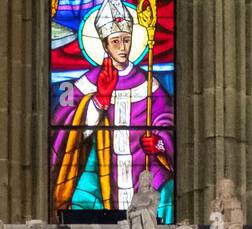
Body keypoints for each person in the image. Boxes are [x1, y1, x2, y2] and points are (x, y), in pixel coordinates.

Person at [51, 0, 174, 216]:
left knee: (165, 193)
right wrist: (98, 101)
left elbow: (165, 125)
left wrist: (159, 145)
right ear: (104, 45)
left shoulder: (150, 86)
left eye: (126, 40)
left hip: (144, 180)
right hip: (99, 179)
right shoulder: (87, 82)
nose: (122, 47)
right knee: (81, 199)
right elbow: (65, 130)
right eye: (115, 41)